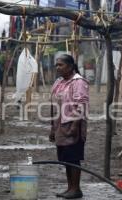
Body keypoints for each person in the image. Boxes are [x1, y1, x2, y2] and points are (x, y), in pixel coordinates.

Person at [49, 54, 89, 199]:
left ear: (71, 66)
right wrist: (52, 128)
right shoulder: (59, 82)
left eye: (61, 65)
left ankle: (76, 188)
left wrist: (74, 125)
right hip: (60, 125)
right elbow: (53, 106)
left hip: (73, 124)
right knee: (66, 158)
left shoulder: (78, 82)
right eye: (56, 65)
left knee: (73, 157)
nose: (58, 68)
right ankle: (70, 187)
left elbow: (82, 104)